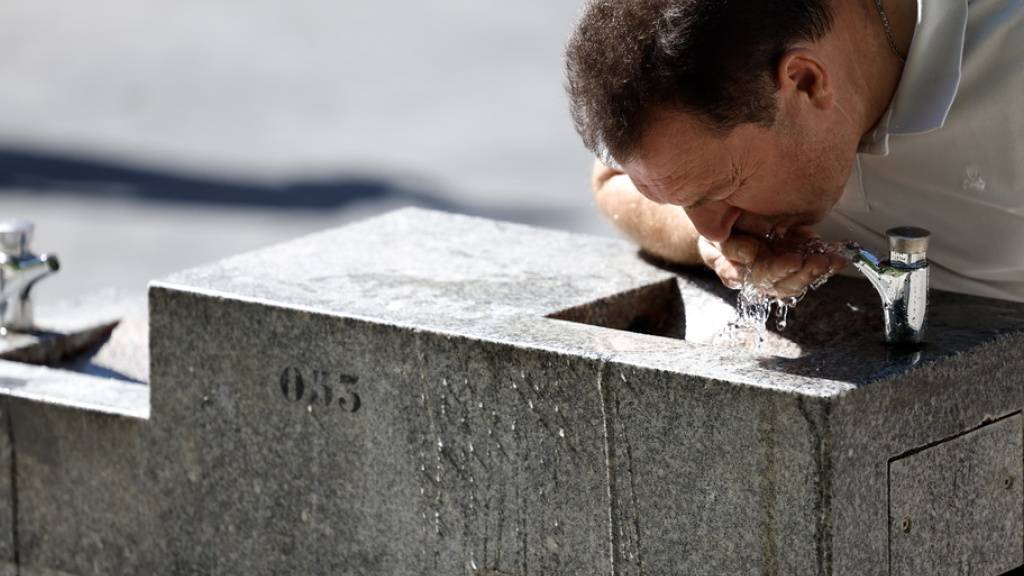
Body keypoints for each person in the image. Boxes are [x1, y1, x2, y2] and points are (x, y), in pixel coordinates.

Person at [565, 0, 1024, 302]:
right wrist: (709, 247)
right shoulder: (688, 114)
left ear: (807, 82)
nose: (710, 226)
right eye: (680, 201)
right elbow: (610, 181)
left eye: (719, 190)